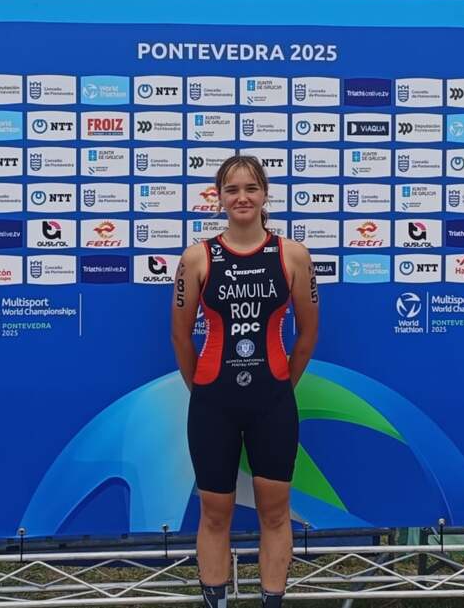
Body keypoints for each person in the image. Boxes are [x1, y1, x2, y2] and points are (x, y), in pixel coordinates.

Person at [171, 155, 320, 608]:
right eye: (232, 189)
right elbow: (180, 336)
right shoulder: (197, 258)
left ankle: (271, 601)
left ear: (264, 195)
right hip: (213, 403)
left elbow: (307, 334)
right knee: (214, 514)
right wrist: (203, 391)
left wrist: (281, 387)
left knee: (275, 514)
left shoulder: (292, 255)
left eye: (251, 188)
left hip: (271, 402)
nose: (242, 197)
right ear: (218, 197)